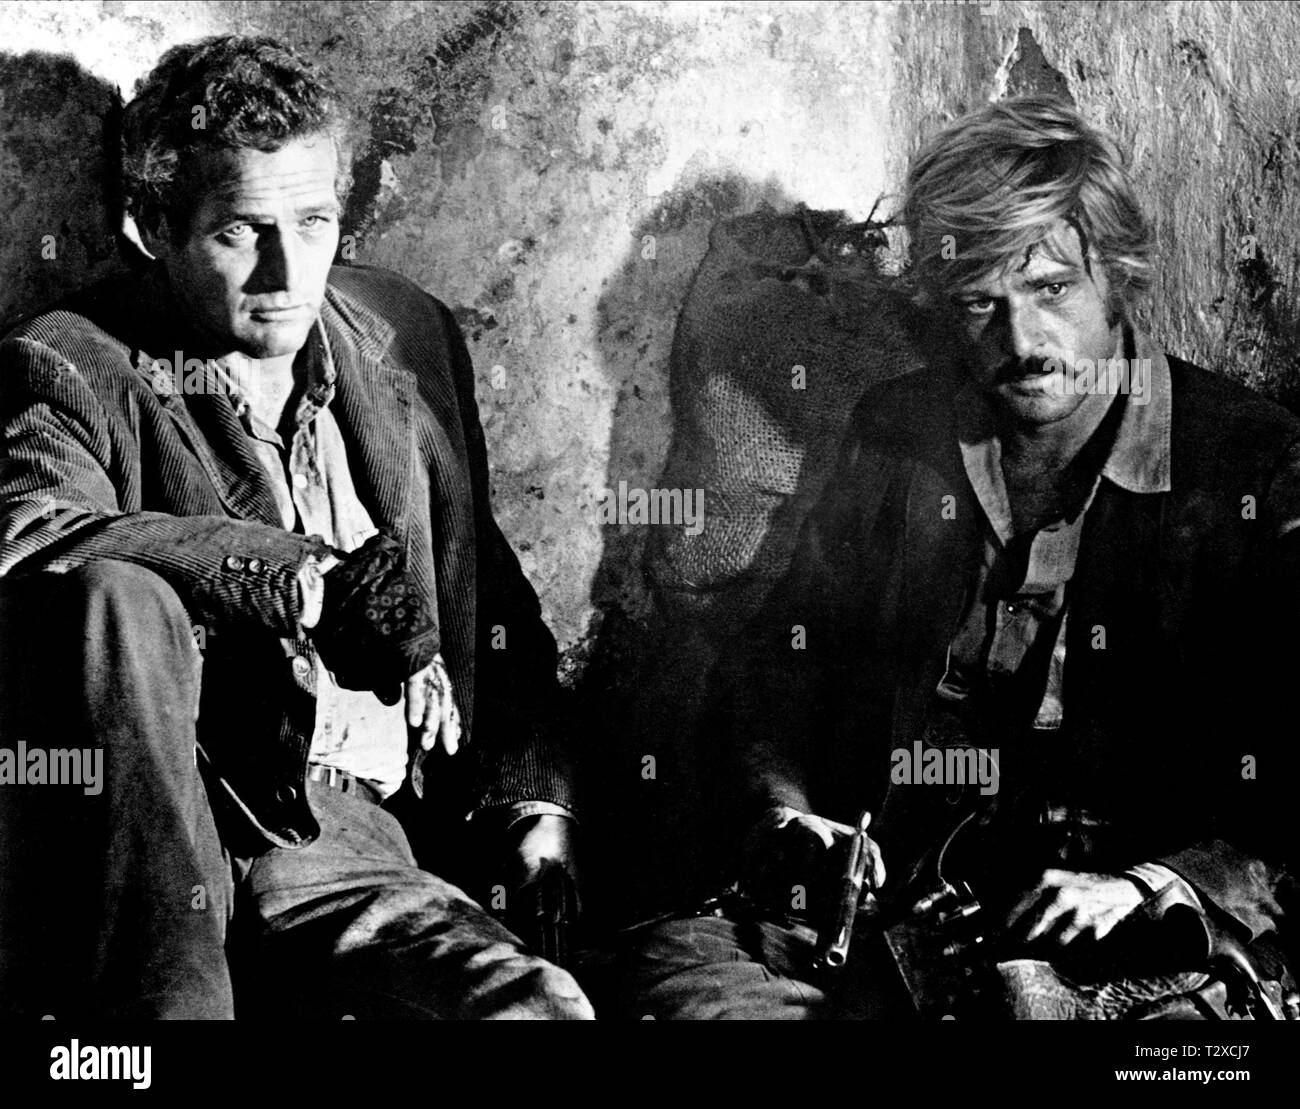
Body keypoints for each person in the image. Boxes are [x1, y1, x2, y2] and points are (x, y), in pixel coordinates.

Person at [600, 95, 1299, 1019]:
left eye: (1052, 289)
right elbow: (782, 663)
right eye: (980, 303)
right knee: (674, 985)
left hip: (1125, 951)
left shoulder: (1249, 463)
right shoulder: (897, 431)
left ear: (1117, 277)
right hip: (894, 926)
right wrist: (788, 808)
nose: (1020, 342)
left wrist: (1150, 885)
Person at [0, 34, 592, 1020]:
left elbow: (488, 590)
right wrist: (288, 572)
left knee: (534, 1006)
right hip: (166, 836)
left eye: (312, 221)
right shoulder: (72, 362)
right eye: (240, 231)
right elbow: (27, 530)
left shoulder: (406, 338)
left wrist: (534, 800)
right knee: (116, 591)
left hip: (353, 847)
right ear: (154, 224)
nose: (286, 269)